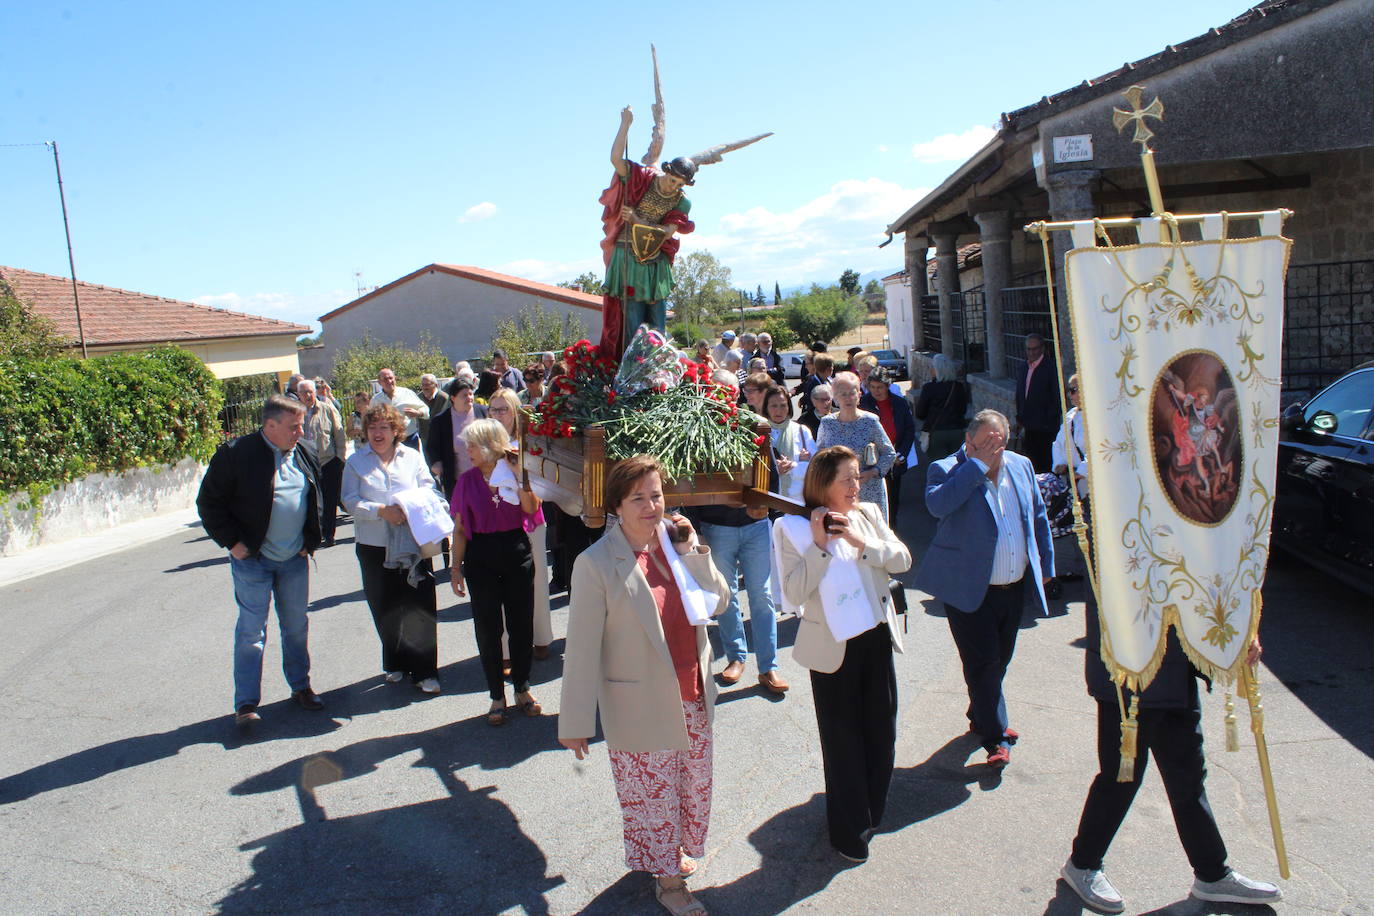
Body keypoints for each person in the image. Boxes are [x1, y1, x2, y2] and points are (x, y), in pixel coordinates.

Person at [558, 455, 732, 916]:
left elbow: (717, 604)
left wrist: (694, 551)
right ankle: (669, 883)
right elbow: (580, 648)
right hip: (637, 701)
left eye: (656, 495)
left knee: (691, 786)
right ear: (616, 505)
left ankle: (670, 855)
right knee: (653, 797)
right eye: (638, 498)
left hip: (692, 689)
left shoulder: (674, 545)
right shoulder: (595, 563)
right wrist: (574, 720)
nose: (651, 506)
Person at [1060, 602, 1281, 911]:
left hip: (1178, 670)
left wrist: (1241, 629)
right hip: (1131, 668)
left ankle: (1212, 874)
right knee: (1121, 777)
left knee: (1188, 778)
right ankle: (1082, 865)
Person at [776, 446, 910, 862]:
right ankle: (848, 831)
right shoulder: (793, 528)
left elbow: (903, 559)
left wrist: (862, 541)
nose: (856, 485)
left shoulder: (868, 515)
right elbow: (793, 593)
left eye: (857, 477)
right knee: (843, 741)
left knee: (881, 730)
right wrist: (819, 546)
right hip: (832, 648)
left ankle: (874, 811)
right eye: (846, 479)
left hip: (874, 637)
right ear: (823, 485)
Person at [914, 409, 1054, 768]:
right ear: (968, 442)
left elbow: (1036, 515)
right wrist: (974, 467)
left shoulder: (1020, 466)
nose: (991, 452)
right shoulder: (947, 469)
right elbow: (937, 505)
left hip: (1013, 586)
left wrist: (1046, 566)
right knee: (985, 664)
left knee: (998, 662)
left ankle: (981, 711)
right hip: (968, 591)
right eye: (982, 445)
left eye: (996, 445)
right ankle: (996, 737)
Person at [197, 394, 324, 725]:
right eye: (295, 426)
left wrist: (311, 540)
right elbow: (209, 502)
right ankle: (246, 704)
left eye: (302, 425)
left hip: (294, 559)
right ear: (270, 425)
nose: (301, 431)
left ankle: (301, 687)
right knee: (252, 632)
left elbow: (319, 498)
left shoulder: (305, 452)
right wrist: (232, 543)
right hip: (252, 560)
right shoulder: (235, 454)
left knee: (296, 626)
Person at [689, 372, 787, 695]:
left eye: (730, 390)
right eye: (719, 390)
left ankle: (768, 666)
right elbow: (689, 481)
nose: (725, 396)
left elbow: (769, 471)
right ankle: (736, 658)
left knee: (762, 596)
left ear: (738, 393)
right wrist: (697, 529)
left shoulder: (752, 425)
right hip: (717, 529)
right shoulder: (698, 428)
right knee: (725, 596)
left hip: (755, 527)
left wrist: (765, 507)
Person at [343, 403, 442, 694]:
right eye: (372, 427)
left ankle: (426, 671)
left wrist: (407, 505)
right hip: (374, 547)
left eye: (383, 427)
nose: (377, 433)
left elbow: (428, 486)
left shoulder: (411, 457)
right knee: (384, 606)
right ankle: (396, 661)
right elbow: (348, 499)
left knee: (419, 606)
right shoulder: (355, 462)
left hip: (412, 543)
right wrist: (380, 511)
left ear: (396, 430)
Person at [450, 419, 543, 724]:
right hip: (481, 557)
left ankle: (522, 687)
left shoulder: (517, 471)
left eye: (472, 444)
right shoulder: (466, 480)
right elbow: (461, 529)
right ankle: (496, 696)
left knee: (521, 625)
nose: (468, 450)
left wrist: (520, 476)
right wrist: (455, 568)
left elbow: (531, 509)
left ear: (490, 445)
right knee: (488, 630)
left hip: (516, 551)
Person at [598, 106, 699, 355]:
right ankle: (633, 365)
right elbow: (615, 160)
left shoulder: (681, 201)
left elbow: (667, 231)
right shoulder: (642, 177)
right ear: (666, 171)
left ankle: (657, 364)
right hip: (627, 254)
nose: (672, 187)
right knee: (631, 314)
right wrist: (625, 125)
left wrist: (637, 219)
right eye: (671, 179)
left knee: (657, 316)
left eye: (678, 184)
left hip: (656, 260)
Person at [487, 387, 553, 660]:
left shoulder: (529, 442)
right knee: (500, 589)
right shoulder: (484, 443)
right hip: (496, 522)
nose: (498, 414)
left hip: (530, 521)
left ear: (515, 413)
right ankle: (504, 650)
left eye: (503, 409)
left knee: (536, 583)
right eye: (493, 409)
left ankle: (540, 638)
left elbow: (541, 483)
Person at [816, 372, 897, 522]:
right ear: (835, 397)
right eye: (842, 394)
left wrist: (874, 471)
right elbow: (820, 456)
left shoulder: (870, 421)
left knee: (873, 537)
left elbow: (889, 453)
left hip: (869, 490)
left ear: (859, 395)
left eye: (852, 393)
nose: (848, 398)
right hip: (839, 492)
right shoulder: (827, 423)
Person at [296, 379, 347, 547]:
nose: (308, 395)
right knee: (311, 500)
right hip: (306, 463)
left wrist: (340, 458)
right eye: (304, 393)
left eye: (310, 391)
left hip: (328, 460)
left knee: (330, 499)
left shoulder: (327, 409)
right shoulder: (295, 413)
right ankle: (314, 533)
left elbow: (339, 434)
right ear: (299, 395)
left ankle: (329, 534)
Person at [860, 368, 916, 517]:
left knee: (892, 501)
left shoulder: (900, 403)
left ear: (887, 386)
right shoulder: (863, 404)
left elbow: (909, 430)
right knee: (872, 505)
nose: (876, 391)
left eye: (880, 387)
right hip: (870, 462)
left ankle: (892, 532)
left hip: (895, 461)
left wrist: (901, 454)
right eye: (872, 387)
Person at [425, 378, 487, 503]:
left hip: (486, 477)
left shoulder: (484, 412)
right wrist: (436, 462)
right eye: (464, 395)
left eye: (471, 394)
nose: (469, 398)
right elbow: (431, 446)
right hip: (457, 479)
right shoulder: (441, 421)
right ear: (453, 398)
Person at [1015, 332, 1062, 473]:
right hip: (1028, 427)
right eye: (1028, 349)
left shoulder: (1051, 368)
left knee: (1045, 466)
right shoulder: (1024, 367)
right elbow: (1021, 393)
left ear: (1042, 348)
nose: (1031, 352)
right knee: (1031, 466)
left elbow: (1057, 397)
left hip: (1045, 429)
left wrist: (1048, 420)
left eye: (1034, 349)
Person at [913, 354, 970, 462]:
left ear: (937, 370)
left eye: (932, 367)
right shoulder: (958, 387)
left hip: (936, 433)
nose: (930, 370)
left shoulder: (929, 388)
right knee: (958, 465)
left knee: (940, 468)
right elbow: (963, 410)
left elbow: (920, 413)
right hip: (957, 431)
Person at [764, 385, 815, 502]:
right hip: (767, 501)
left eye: (783, 405)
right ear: (766, 407)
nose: (778, 410)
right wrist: (774, 470)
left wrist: (791, 466)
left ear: (789, 407)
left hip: (796, 501)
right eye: (773, 406)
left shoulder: (802, 431)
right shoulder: (760, 431)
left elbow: (815, 467)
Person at [371, 367, 429, 452]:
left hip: (409, 439)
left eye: (391, 378)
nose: (389, 381)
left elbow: (425, 409)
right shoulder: (376, 400)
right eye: (385, 379)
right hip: (387, 441)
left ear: (395, 378)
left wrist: (418, 413)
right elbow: (370, 421)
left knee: (412, 464)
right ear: (379, 382)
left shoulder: (407, 393)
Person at [417, 373, 448, 444]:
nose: (425, 387)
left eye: (427, 385)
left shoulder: (444, 398)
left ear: (436, 385)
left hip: (441, 437)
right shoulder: (418, 398)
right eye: (423, 385)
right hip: (425, 438)